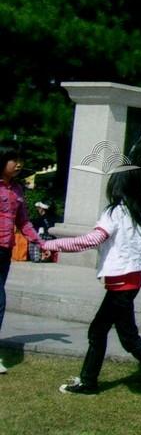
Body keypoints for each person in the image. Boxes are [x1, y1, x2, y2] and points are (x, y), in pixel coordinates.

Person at [41, 169, 141, 402]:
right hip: (132, 282)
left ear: (116, 186)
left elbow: (92, 240)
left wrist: (52, 244)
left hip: (120, 283)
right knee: (115, 334)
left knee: (112, 335)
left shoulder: (115, 212)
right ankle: (89, 381)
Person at [0, 150, 43, 374]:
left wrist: (40, 242)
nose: (18, 164)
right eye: (14, 160)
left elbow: (23, 221)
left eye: (21, 161)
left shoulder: (17, 189)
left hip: (4, 250)